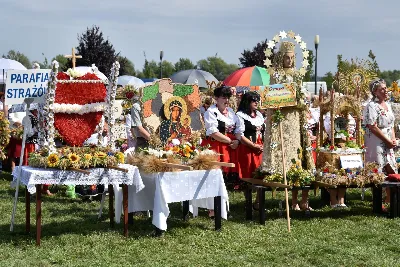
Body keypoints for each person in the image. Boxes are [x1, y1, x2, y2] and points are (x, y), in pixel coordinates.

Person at [203, 85, 243, 217]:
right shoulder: (211, 112)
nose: (226, 100)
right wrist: (230, 141)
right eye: (223, 97)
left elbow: (238, 130)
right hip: (217, 147)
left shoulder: (231, 112)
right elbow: (213, 132)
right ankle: (212, 209)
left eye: (227, 97)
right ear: (216, 98)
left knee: (225, 179)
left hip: (230, 148)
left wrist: (237, 141)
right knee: (214, 177)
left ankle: (223, 207)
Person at [363, 78, 397, 209]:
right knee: (378, 170)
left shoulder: (388, 105)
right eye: (382, 89)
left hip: (388, 140)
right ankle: (378, 202)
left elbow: (391, 125)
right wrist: (387, 140)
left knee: (391, 168)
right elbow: (372, 126)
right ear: (375, 92)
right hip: (376, 140)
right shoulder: (371, 106)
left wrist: (393, 140)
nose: (386, 90)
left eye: (385, 88)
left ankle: (390, 199)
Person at [236, 91, 265, 209]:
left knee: (262, 174)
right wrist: (253, 145)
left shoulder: (259, 115)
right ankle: (248, 201)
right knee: (248, 174)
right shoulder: (240, 115)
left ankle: (258, 202)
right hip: (247, 149)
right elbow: (239, 134)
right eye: (254, 100)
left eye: (257, 100)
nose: (256, 102)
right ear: (247, 102)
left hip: (260, 148)